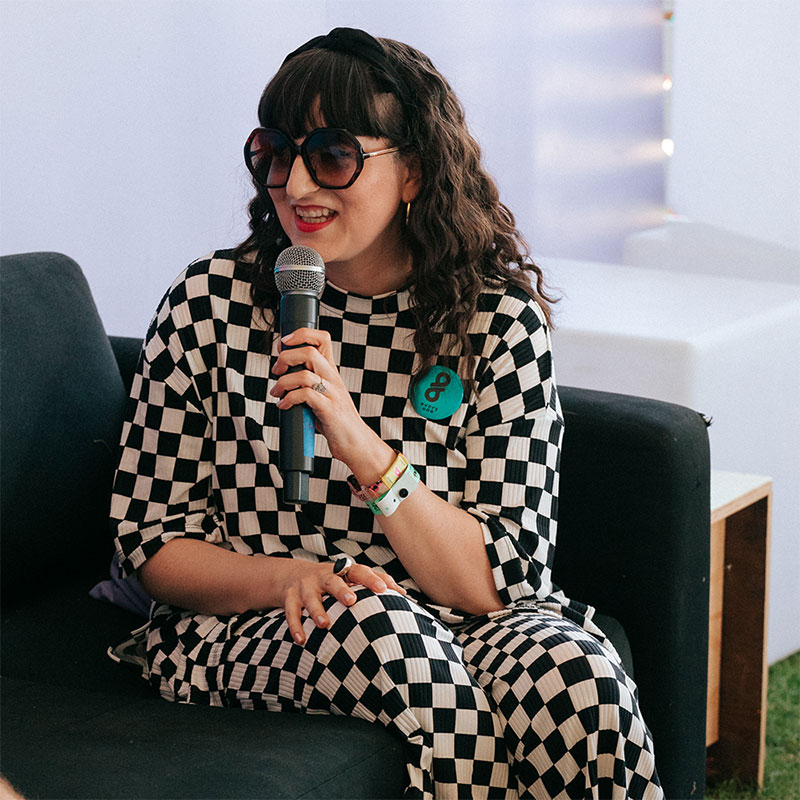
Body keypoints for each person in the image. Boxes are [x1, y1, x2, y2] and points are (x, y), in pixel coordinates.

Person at [110, 27, 663, 799]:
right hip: (258, 623)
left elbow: (499, 582)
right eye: (274, 152)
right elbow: (153, 542)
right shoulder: (210, 305)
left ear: (412, 171)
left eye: (332, 155)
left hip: (465, 616)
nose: (296, 184)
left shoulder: (493, 322)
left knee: (576, 674)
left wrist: (361, 442)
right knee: (384, 631)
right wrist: (291, 579)